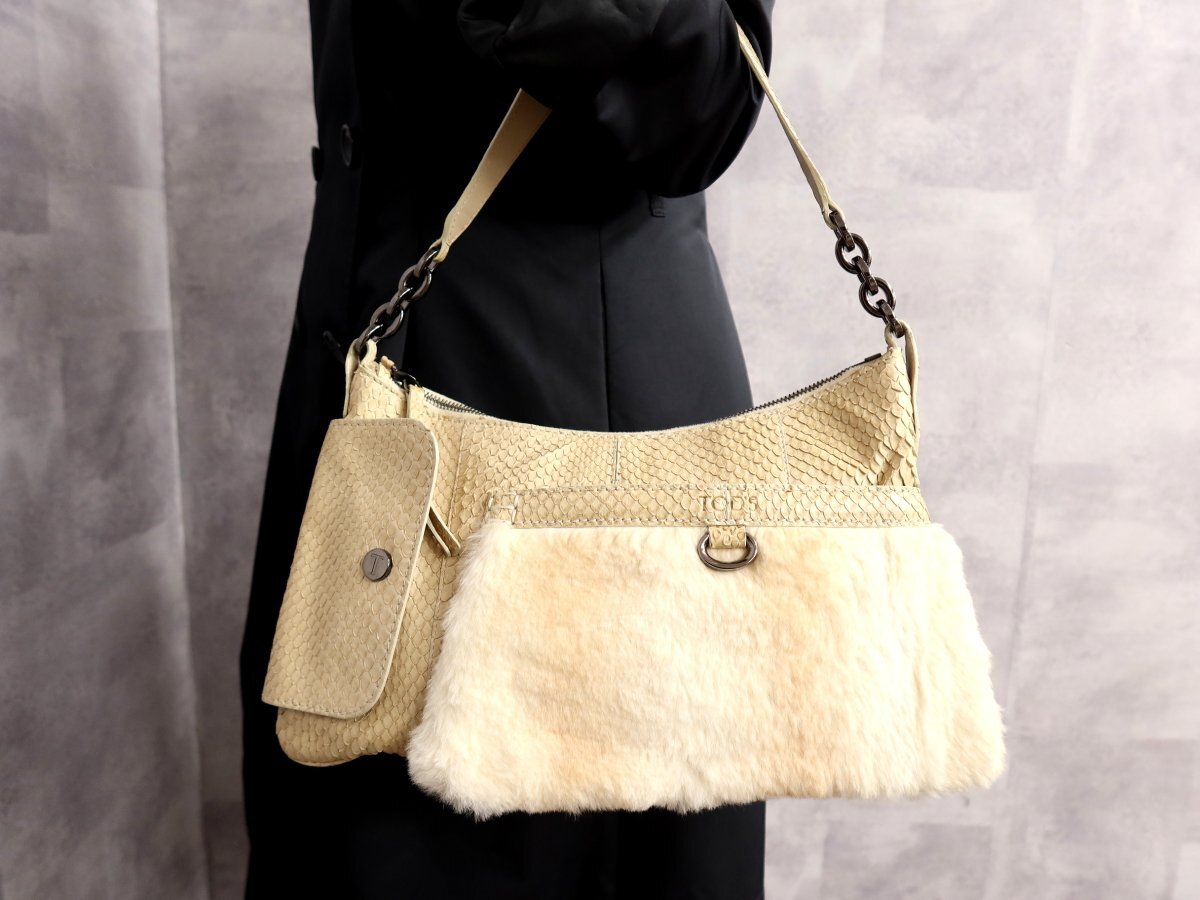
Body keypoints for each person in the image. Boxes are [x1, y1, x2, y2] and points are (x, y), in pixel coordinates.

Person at [239, 1, 776, 897]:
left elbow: (703, 99)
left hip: (567, 421)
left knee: (548, 835)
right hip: (353, 379)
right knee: (336, 805)